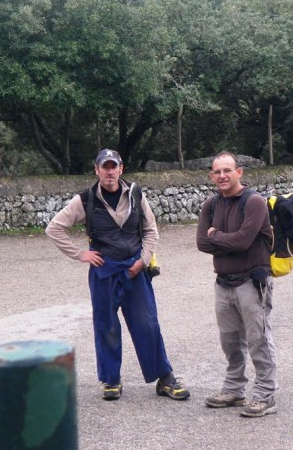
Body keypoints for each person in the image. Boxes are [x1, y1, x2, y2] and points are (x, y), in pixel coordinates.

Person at [45, 149, 189, 402]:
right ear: (97, 170)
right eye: (105, 167)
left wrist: (143, 260)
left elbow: (151, 230)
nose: (109, 171)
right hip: (104, 274)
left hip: (135, 272)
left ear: (121, 169)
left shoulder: (136, 194)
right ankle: (111, 380)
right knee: (106, 326)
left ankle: (165, 378)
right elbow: (54, 228)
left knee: (147, 323)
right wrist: (80, 254)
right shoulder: (86, 200)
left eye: (114, 166)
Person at [196, 150, 277, 418]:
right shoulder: (210, 205)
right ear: (212, 176)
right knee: (229, 340)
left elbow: (243, 242)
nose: (222, 176)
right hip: (223, 283)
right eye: (217, 172)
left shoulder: (254, 202)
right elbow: (201, 243)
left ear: (239, 172)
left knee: (258, 339)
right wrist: (225, 239)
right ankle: (234, 389)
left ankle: (265, 395)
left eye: (227, 171)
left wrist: (216, 235)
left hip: (252, 282)